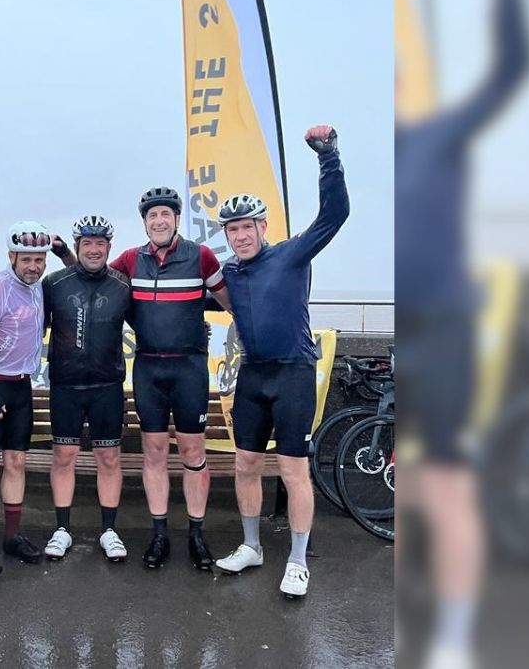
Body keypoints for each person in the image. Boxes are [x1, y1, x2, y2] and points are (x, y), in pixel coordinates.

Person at [396, 0, 529, 665]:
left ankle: (455, 636)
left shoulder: (440, 134)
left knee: (449, 482)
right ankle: (433, 608)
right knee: (412, 482)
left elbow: (512, 70)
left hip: (445, 328)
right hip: (403, 335)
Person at [212, 125, 350, 599]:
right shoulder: (230, 269)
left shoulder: (292, 254)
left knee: (293, 470)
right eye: (232, 229)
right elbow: (215, 297)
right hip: (252, 374)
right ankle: (251, 546)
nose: (241, 235)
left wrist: (327, 157)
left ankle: (296, 559)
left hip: (292, 372)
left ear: (263, 227)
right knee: (245, 464)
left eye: (247, 226)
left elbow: (335, 215)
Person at [109, 188, 231, 570]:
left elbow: (233, 302)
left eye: (165, 214)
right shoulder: (131, 259)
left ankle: (196, 533)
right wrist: (64, 253)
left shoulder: (201, 256)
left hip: (189, 369)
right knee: (155, 453)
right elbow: (92, 279)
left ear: (177, 218)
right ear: (144, 222)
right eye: (151, 216)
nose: (158, 221)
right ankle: (159, 533)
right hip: (148, 369)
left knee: (194, 454)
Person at [0, 221, 72, 579]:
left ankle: (11, 536)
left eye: (39, 259)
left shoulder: (39, 288)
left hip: (21, 386)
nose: (34, 266)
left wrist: (63, 252)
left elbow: (81, 277)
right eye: (26, 259)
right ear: (11, 257)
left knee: (16, 463)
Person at [41, 215, 133, 562]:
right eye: (87, 244)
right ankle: (62, 529)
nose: (94, 250)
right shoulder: (54, 283)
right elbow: (30, 322)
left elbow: (149, 322)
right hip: (66, 385)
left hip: (107, 386)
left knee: (108, 457)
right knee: (64, 456)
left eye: (100, 244)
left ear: (109, 248)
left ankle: (109, 530)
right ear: (78, 246)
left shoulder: (122, 285)